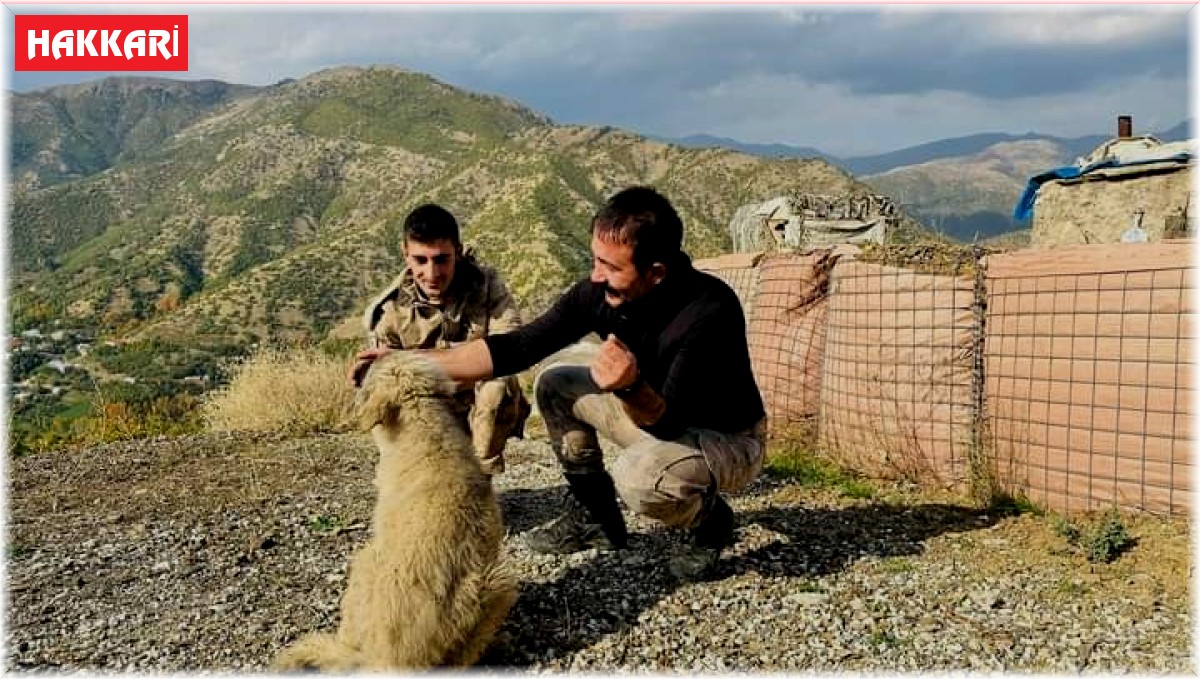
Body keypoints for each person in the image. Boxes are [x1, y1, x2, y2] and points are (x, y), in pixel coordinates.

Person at [352, 187, 767, 580]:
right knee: (556, 384)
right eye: (595, 260)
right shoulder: (602, 294)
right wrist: (404, 362)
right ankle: (597, 518)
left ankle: (711, 521)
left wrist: (628, 386)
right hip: (654, 416)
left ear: (655, 272)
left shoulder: (709, 312)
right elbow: (517, 348)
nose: (596, 276)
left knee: (641, 479)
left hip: (725, 439)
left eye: (611, 267)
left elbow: (666, 422)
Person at [361, 203, 530, 476]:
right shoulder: (389, 311)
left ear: (458, 252)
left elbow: (509, 349)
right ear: (405, 254)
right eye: (420, 260)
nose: (432, 274)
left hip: (477, 407)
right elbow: (386, 380)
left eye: (441, 260)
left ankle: (480, 479)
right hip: (427, 412)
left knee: (499, 385)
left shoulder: (487, 287)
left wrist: (419, 366)